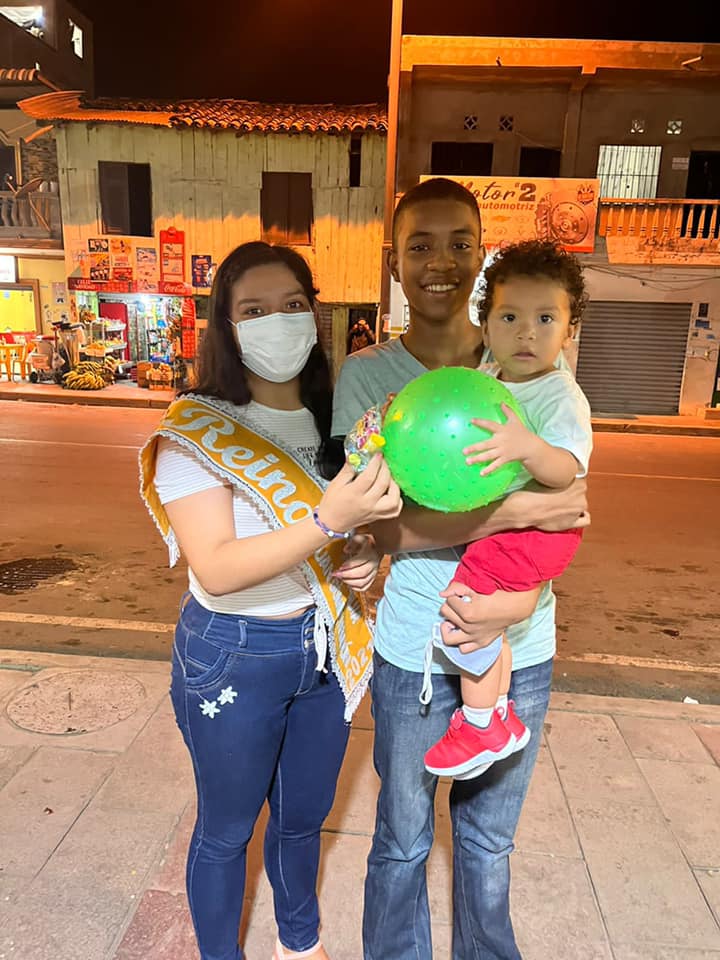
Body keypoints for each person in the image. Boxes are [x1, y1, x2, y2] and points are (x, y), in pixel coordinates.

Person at [332, 178, 589, 960]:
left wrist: (518, 601)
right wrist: (505, 515)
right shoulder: (367, 374)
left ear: (480, 260)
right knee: (402, 839)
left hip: (521, 645)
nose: (440, 262)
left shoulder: (523, 361)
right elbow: (376, 527)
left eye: (459, 244)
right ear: (396, 261)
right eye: (420, 245)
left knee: (486, 844)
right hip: (413, 647)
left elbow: (572, 506)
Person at [139, 241, 401, 960]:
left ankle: (299, 944)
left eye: (291, 305)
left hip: (326, 649)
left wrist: (363, 554)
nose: (277, 322)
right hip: (235, 654)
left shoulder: (333, 418)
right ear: (226, 326)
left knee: (302, 819)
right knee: (227, 831)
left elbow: (351, 536)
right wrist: (327, 523)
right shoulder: (197, 428)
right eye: (253, 310)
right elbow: (218, 568)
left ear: (314, 314)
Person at [422, 239, 593, 780]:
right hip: (514, 525)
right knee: (487, 623)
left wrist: (528, 447)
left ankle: (478, 723)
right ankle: (497, 713)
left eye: (546, 318)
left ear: (569, 329)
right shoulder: (490, 379)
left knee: (466, 609)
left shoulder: (559, 395)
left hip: (537, 529)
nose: (527, 333)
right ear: (486, 324)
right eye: (510, 317)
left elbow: (567, 471)